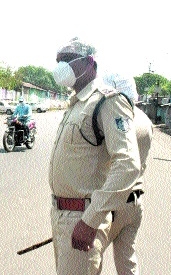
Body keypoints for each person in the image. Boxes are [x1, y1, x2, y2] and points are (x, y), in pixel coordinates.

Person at [48, 37, 141, 274]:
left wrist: (90, 220)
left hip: (82, 216)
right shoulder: (77, 104)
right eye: (58, 61)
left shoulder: (107, 101)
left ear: (89, 62)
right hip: (62, 215)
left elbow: (128, 164)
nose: (60, 66)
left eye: (67, 60)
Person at [103, 72, 154, 275]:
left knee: (90, 260)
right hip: (135, 203)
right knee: (127, 261)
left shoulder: (116, 117)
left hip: (112, 203)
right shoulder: (145, 119)